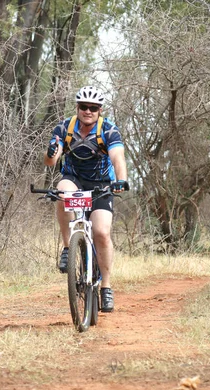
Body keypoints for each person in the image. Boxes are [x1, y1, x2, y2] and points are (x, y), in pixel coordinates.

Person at [43, 85, 129, 313]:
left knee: (101, 232)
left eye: (93, 107)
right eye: (83, 107)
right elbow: (51, 162)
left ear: (100, 110)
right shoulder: (64, 127)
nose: (88, 111)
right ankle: (67, 247)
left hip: (102, 184)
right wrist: (52, 152)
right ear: (77, 108)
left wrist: (121, 180)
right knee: (62, 192)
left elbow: (117, 157)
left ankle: (106, 288)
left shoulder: (108, 130)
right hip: (75, 179)